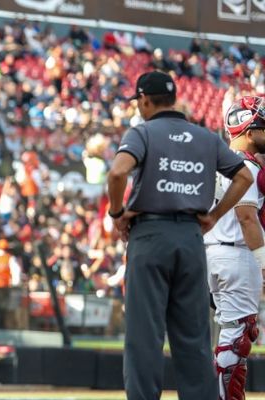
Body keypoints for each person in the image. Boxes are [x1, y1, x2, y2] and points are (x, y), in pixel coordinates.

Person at [107, 71, 253, 400]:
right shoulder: (206, 137)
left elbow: (117, 171)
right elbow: (243, 176)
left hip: (149, 235)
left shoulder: (142, 132)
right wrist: (214, 216)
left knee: (145, 336)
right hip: (191, 238)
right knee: (193, 337)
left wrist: (117, 214)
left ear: (144, 100)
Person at [204, 96, 265, 399]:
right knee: (239, 336)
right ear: (250, 131)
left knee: (233, 333)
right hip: (237, 253)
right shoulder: (247, 166)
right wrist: (263, 261)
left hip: (214, 250)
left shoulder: (220, 161)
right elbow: (246, 216)